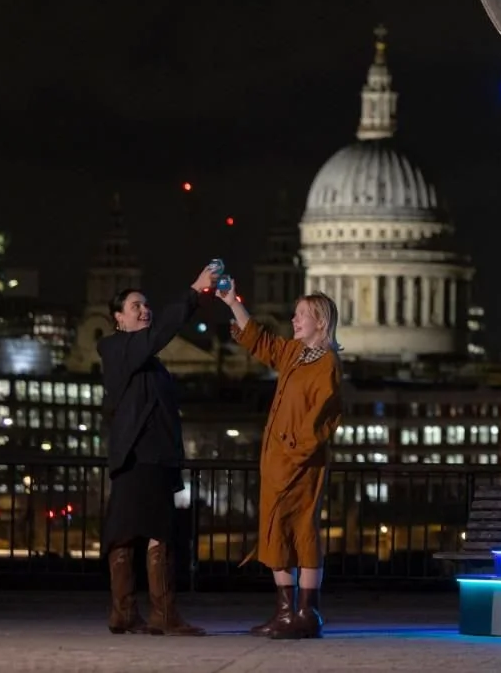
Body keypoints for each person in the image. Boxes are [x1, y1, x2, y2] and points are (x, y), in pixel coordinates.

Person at [221, 285, 344, 640]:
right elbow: (260, 341)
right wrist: (232, 302)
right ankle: (289, 613)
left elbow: (325, 416)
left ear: (319, 322)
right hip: (279, 460)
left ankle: (305, 613)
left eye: (301, 315)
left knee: (300, 529)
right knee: (278, 530)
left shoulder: (326, 363)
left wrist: (295, 448)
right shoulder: (295, 354)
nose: (294, 319)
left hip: (299, 462)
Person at [98, 267, 216, 637]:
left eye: (146, 305)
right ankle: (161, 614)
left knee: (127, 531)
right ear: (118, 318)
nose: (144, 310)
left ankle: (125, 613)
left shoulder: (140, 356)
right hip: (143, 455)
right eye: (136, 306)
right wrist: (194, 292)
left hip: (144, 456)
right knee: (156, 533)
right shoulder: (119, 347)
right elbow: (161, 332)